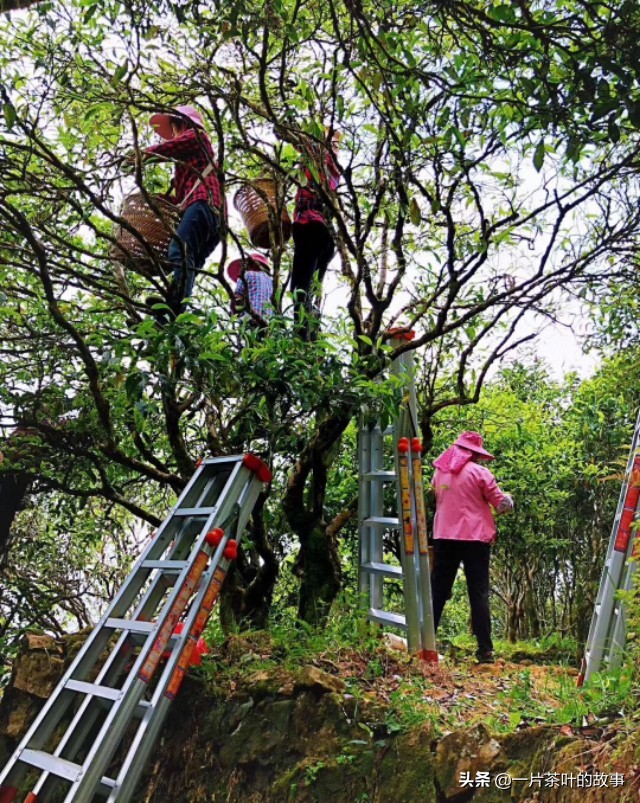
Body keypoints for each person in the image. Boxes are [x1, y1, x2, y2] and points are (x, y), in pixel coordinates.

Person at [431, 431, 513, 664]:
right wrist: (509, 499)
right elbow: (501, 505)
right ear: (473, 453)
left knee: (438, 590)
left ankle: (425, 642)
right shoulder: (480, 473)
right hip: (475, 539)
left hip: (444, 537)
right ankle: (485, 651)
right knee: (478, 592)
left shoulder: (439, 473)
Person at [141, 105, 223, 315]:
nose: (173, 134)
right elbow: (180, 199)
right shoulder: (189, 162)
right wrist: (161, 200)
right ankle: (166, 321)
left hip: (204, 204)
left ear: (182, 124)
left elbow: (167, 149)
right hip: (213, 219)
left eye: (174, 128)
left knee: (180, 251)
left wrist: (139, 156)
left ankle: (173, 310)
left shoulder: (197, 137)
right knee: (189, 265)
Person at [290, 128, 341, 339]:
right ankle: (312, 339)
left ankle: (301, 339)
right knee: (310, 290)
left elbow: (289, 135)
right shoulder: (334, 168)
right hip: (324, 235)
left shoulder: (321, 156)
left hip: (311, 226)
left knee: (299, 288)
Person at [228, 252, 274, 324]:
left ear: (250, 264)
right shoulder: (271, 281)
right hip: (268, 322)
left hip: (250, 319)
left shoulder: (246, 275)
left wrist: (233, 312)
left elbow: (237, 297)